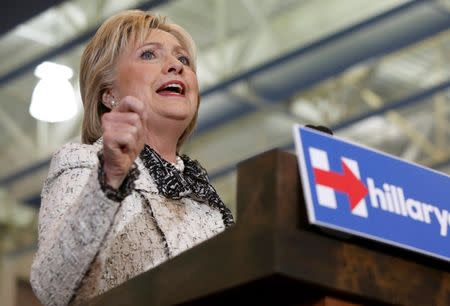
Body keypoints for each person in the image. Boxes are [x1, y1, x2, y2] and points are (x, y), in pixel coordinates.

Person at [30, 10, 234, 306]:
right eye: (149, 55)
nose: (175, 66)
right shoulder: (86, 164)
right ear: (108, 93)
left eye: (184, 60)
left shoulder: (209, 201)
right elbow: (52, 287)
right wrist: (110, 180)